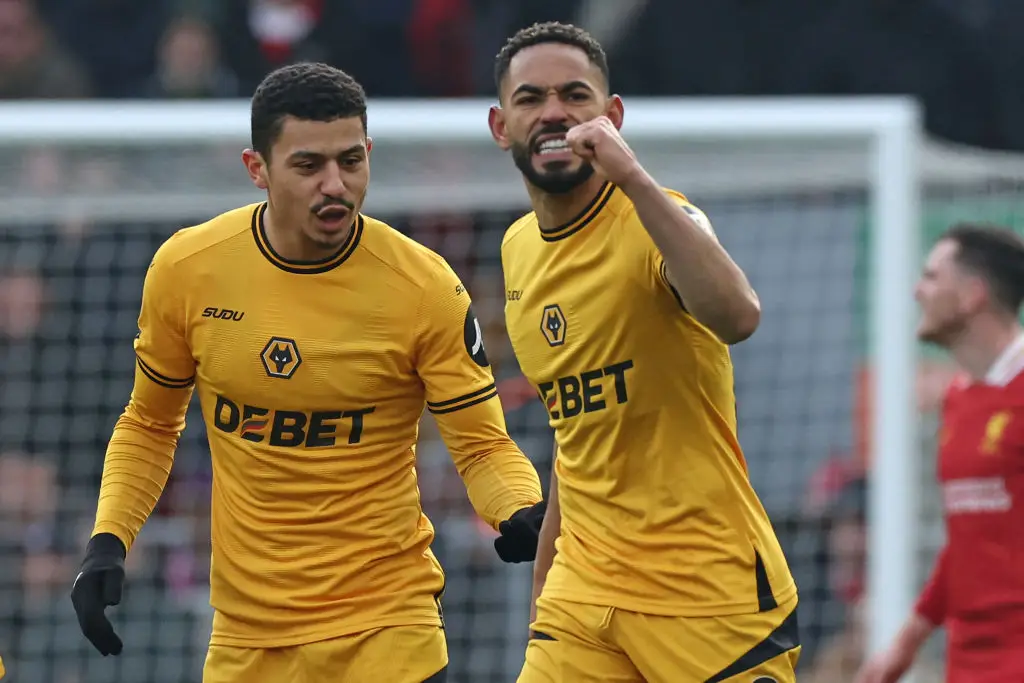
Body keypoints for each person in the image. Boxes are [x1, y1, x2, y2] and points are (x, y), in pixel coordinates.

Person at [69, 62, 546, 683]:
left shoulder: (423, 287)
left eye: (351, 161)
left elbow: (482, 443)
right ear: (257, 169)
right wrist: (108, 541)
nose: (335, 185)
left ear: (370, 153)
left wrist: (521, 510)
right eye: (308, 166)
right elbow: (151, 425)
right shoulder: (188, 269)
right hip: (246, 638)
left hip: (387, 629)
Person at [488, 21, 799, 683]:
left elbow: (739, 316)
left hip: (705, 588)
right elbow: (576, 437)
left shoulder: (663, 219)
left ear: (612, 115)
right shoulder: (517, 249)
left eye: (575, 95)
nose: (554, 114)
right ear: (501, 124)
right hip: (586, 591)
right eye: (531, 98)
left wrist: (631, 176)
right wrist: (547, 586)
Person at [856, 224, 1024, 683]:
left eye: (931, 276)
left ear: (973, 295)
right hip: (968, 661)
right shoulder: (958, 399)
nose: (916, 290)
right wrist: (907, 641)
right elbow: (970, 540)